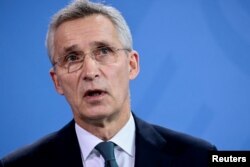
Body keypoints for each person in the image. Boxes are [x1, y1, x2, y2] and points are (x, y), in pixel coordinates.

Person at [0, 0, 217, 167]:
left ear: (132, 65)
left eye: (104, 51)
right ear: (57, 81)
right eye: (72, 58)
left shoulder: (198, 157)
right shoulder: (18, 165)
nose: (90, 72)